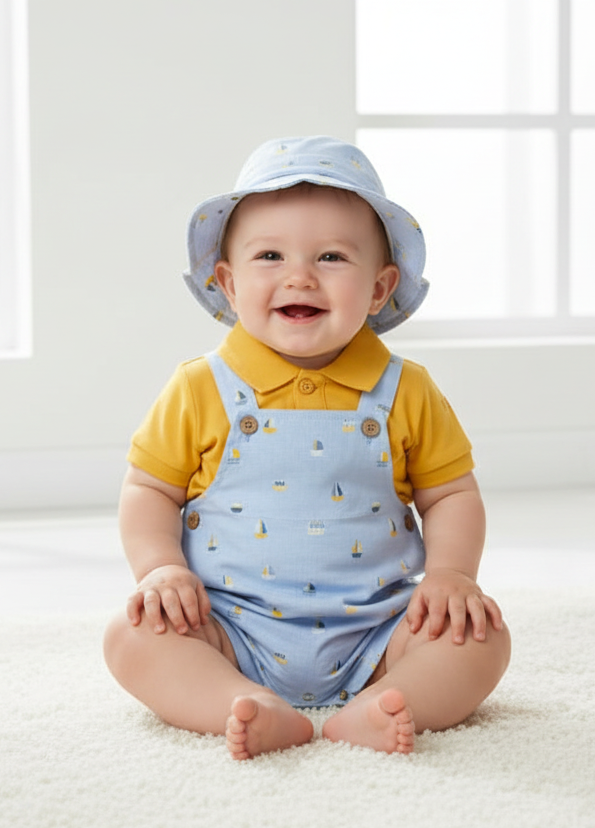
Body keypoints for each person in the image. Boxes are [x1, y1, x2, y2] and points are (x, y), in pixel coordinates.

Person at [103, 136, 511, 760]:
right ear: (229, 283)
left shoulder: (406, 390)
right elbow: (149, 490)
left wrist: (453, 577)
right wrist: (162, 569)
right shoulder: (199, 386)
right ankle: (239, 702)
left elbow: (452, 493)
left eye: (330, 257)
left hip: (378, 629)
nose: (300, 276)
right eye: (270, 255)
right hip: (228, 627)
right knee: (131, 637)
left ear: (378, 290)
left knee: (482, 637)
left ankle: (384, 701)